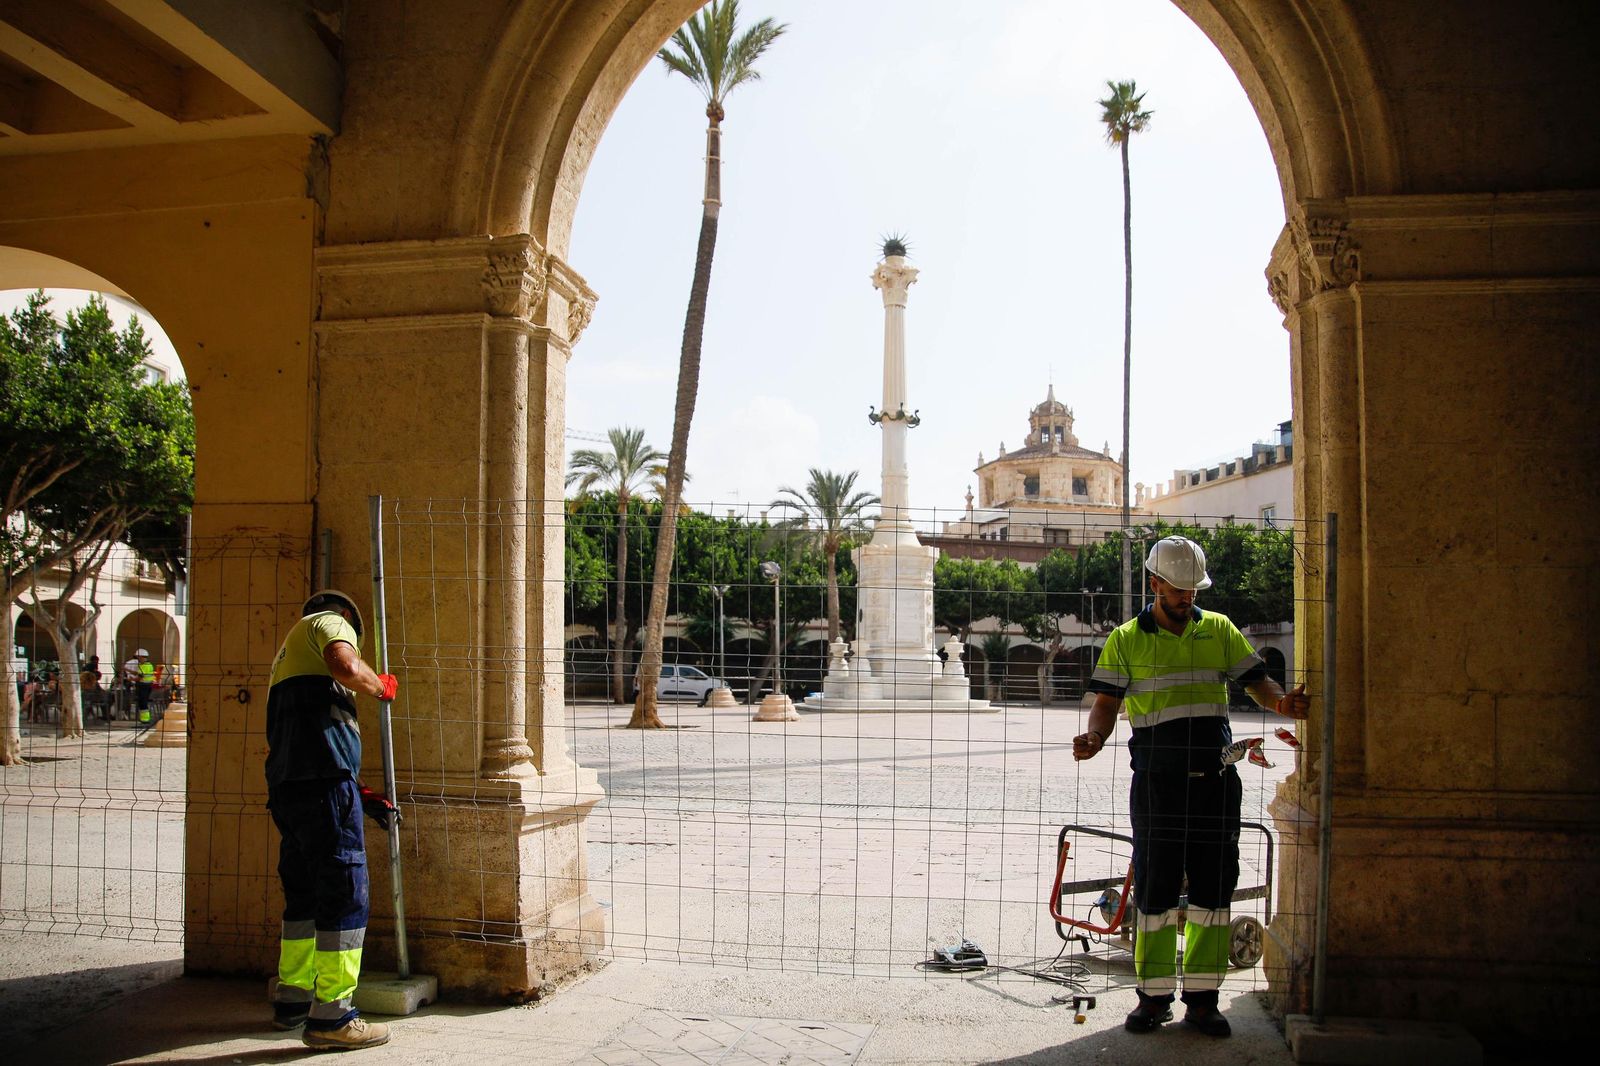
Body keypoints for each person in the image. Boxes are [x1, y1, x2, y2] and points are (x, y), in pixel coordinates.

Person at [1074, 536, 1309, 1038]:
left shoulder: (1219, 629)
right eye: (1178, 588)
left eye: (1192, 589)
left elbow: (1256, 681)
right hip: (1156, 784)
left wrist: (1281, 704)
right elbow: (1107, 703)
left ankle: (1203, 1001)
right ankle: (1153, 998)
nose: (1187, 597)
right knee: (1155, 888)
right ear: (1154, 584)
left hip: (1215, 783)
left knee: (1213, 887)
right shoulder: (1125, 639)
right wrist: (1095, 737)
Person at [265, 589, 400, 1051]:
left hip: (290, 786)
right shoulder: (328, 622)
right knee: (344, 890)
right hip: (323, 783)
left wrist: (356, 792)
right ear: (344, 617)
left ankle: (293, 998)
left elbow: (308, 735)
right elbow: (346, 665)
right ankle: (333, 1016)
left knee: (302, 893)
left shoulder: (284, 660)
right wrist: (379, 685)